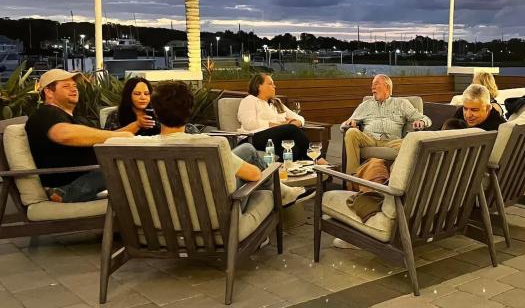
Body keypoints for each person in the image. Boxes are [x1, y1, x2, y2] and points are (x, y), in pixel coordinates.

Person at [135, 80, 314, 207]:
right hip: (212, 215)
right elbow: (253, 175)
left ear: (156, 112)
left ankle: (287, 188)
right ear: (190, 111)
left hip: (160, 219)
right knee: (248, 154)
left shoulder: (131, 145)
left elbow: (110, 138)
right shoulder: (209, 145)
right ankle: (284, 192)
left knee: (246, 149)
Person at [25, 69, 133, 203]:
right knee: (136, 169)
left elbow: (108, 135)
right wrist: (120, 136)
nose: (74, 89)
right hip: (72, 183)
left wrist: (133, 130)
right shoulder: (45, 114)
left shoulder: (76, 118)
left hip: (93, 175)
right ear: (48, 92)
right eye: (66, 86)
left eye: (75, 86)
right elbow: (64, 134)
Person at [342, 74, 432, 175]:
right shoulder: (366, 105)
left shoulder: (401, 103)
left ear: (387, 87)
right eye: (372, 85)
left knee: (411, 144)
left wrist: (422, 122)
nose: (372, 87)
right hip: (369, 139)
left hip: (392, 141)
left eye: (376, 84)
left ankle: (394, 177)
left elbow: (425, 119)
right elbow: (344, 126)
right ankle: (353, 178)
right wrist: (350, 122)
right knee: (351, 132)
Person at [237, 73, 325, 163]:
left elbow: (299, 118)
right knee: (290, 129)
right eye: (270, 83)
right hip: (253, 139)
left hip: (276, 140)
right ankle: (319, 160)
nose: (274, 86)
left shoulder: (276, 103)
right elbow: (249, 124)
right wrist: (279, 125)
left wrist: (297, 122)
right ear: (259, 86)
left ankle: (310, 171)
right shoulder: (249, 100)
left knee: (294, 149)